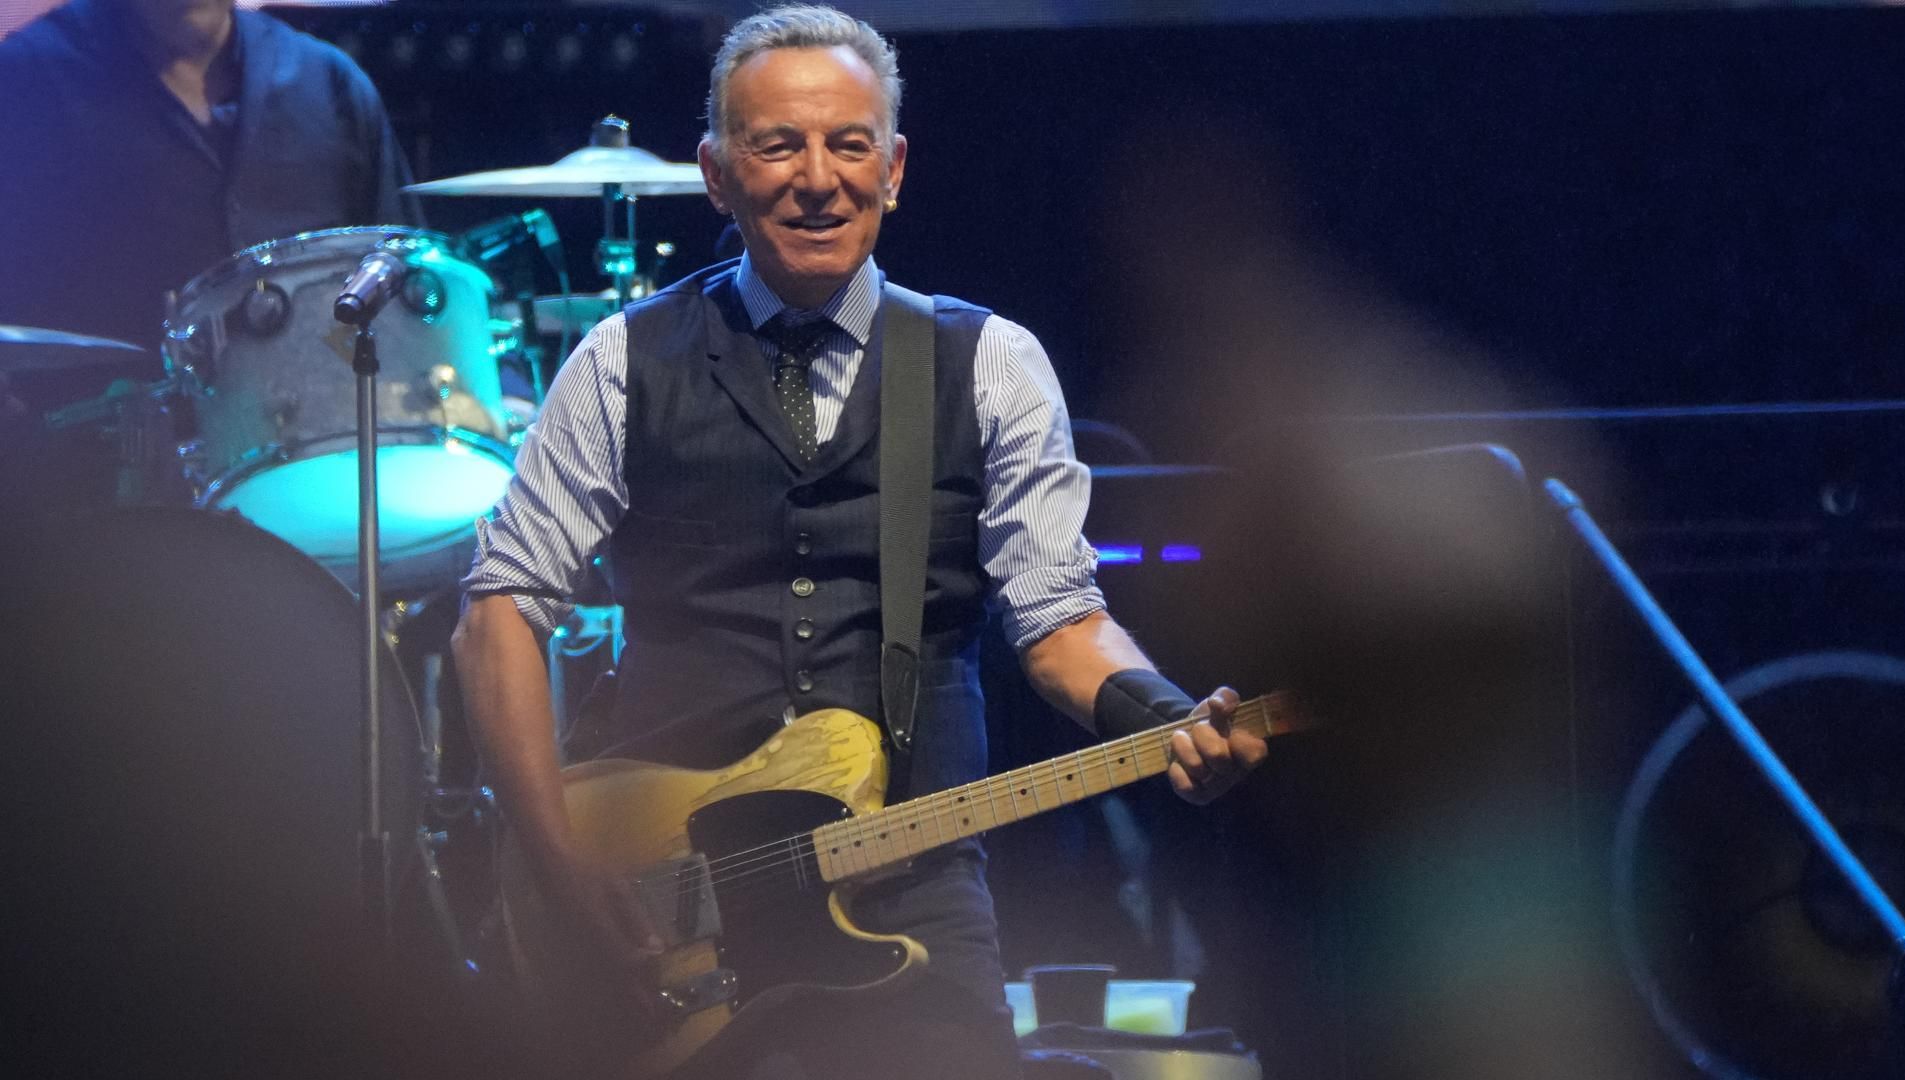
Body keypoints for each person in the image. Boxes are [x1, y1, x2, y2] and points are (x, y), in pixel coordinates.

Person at [452, 6, 1268, 1077]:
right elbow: (498, 612)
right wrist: (562, 872)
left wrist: (1168, 720)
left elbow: (1061, 619)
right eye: (778, 144)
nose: (818, 178)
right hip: (661, 898)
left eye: (849, 145)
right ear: (715, 172)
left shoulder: (990, 364)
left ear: (894, 169)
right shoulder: (618, 364)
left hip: (910, 888)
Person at [0, 0, 420, 350]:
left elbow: (407, 278)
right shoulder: (27, 81)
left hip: (321, 431)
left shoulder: (331, 83)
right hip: (104, 437)